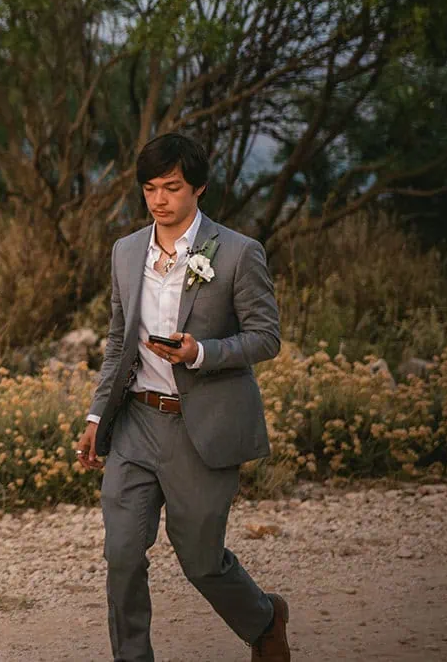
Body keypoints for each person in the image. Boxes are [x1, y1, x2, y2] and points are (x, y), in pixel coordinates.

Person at [75, 133, 292, 661]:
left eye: (171, 187)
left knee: (200, 561)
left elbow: (267, 337)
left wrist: (200, 352)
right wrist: (96, 414)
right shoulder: (126, 252)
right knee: (122, 554)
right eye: (149, 188)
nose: (158, 200)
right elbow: (116, 343)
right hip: (136, 424)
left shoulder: (239, 252)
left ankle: (264, 620)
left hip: (203, 430)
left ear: (199, 187)